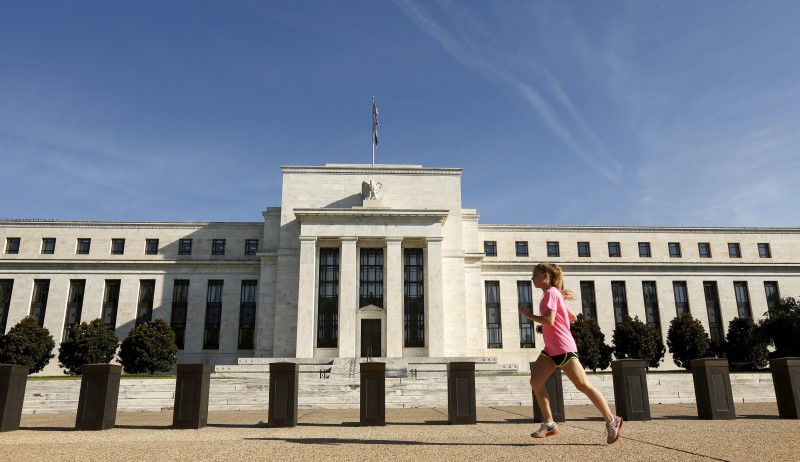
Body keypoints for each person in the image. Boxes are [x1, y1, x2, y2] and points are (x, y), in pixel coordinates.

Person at [519, 262, 623, 444]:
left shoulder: (551, 293)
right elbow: (572, 317)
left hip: (563, 347)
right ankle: (549, 423)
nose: (532, 278)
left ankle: (612, 420)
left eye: (535, 274)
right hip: (551, 350)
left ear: (546, 276)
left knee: (583, 385)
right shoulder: (553, 295)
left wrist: (528, 316)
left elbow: (549, 321)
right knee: (535, 382)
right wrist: (560, 312)